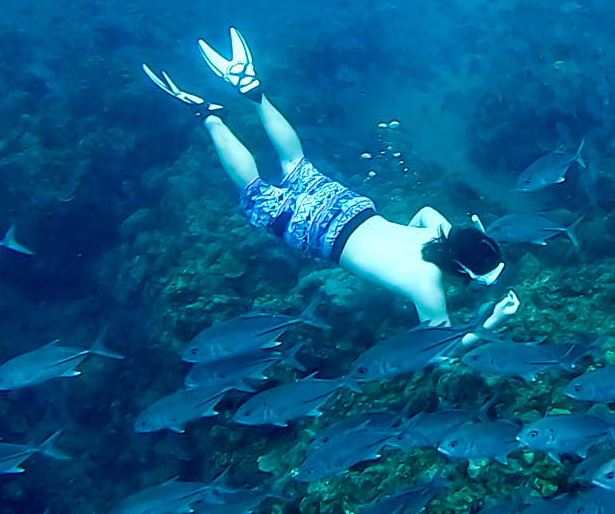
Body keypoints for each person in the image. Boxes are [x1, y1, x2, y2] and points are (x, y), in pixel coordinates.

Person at [144, 29, 520, 331]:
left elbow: (423, 211)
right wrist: (493, 321)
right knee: (254, 189)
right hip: (318, 235)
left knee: (294, 161)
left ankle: (253, 91)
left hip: (351, 208)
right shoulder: (427, 285)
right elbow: (439, 354)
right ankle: (209, 116)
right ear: (464, 271)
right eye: (479, 280)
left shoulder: (438, 230)